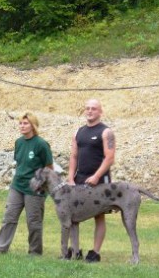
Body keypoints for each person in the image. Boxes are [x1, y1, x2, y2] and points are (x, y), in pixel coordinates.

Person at [0, 112, 53, 255]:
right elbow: (20, 163)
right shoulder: (19, 142)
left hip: (34, 189)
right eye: (20, 123)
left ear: (33, 125)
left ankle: (35, 252)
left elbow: (49, 168)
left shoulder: (41, 144)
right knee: (9, 217)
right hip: (17, 186)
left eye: (25, 123)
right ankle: (0, 248)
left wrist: (41, 187)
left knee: (33, 222)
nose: (22, 126)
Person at [67, 99, 116, 262]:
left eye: (93, 109)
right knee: (73, 215)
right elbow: (73, 156)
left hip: (100, 180)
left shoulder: (106, 132)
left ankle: (95, 252)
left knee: (99, 216)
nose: (90, 111)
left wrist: (96, 176)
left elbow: (109, 158)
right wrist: (70, 177)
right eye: (87, 108)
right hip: (80, 179)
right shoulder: (78, 132)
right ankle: (75, 250)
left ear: (100, 111)